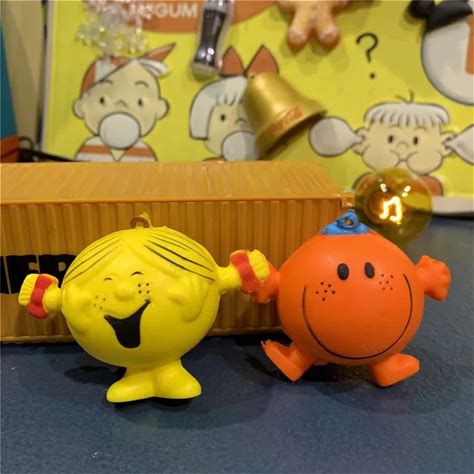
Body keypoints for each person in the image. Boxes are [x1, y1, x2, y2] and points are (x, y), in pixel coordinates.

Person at [309, 97, 474, 195]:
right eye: (390, 138)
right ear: (363, 140)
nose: (402, 148)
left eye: (416, 140)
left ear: (445, 145)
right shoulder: (369, 183)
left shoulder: (430, 186)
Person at [73, 44, 174, 162]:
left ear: (160, 108)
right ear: (81, 106)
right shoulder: (90, 148)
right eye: (102, 100)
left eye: (140, 102)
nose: (121, 105)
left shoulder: (143, 152)